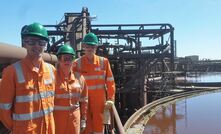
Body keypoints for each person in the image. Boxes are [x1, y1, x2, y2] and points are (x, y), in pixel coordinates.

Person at [0, 22, 56, 134]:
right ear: (24, 43)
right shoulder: (11, 72)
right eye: (31, 41)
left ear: (45, 45)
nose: (37, 46)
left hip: (48, 130)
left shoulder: (51, 70)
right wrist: (16, 129)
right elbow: (4, 109)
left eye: (41, 42)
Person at [73, 33, 116, 134]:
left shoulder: (103, 62)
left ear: (96, 47)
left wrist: (110, 98)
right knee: (85, 125)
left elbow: (110, 81)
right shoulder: (77, 63)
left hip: (99, 101)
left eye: (92, 46)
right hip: (84, 100)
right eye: (87, 46)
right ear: (83, 46)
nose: (90, 48)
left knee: (98, 126)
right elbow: (71, 82)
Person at [54, 44, 88, 134]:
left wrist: (83, 119)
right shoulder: (52, 77)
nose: (67, 61)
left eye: (70, 58)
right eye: (65, 58)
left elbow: (84, 100)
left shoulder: (79, 78)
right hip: (57, 120)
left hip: (74, 120)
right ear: (59, 59)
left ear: (73, 61)